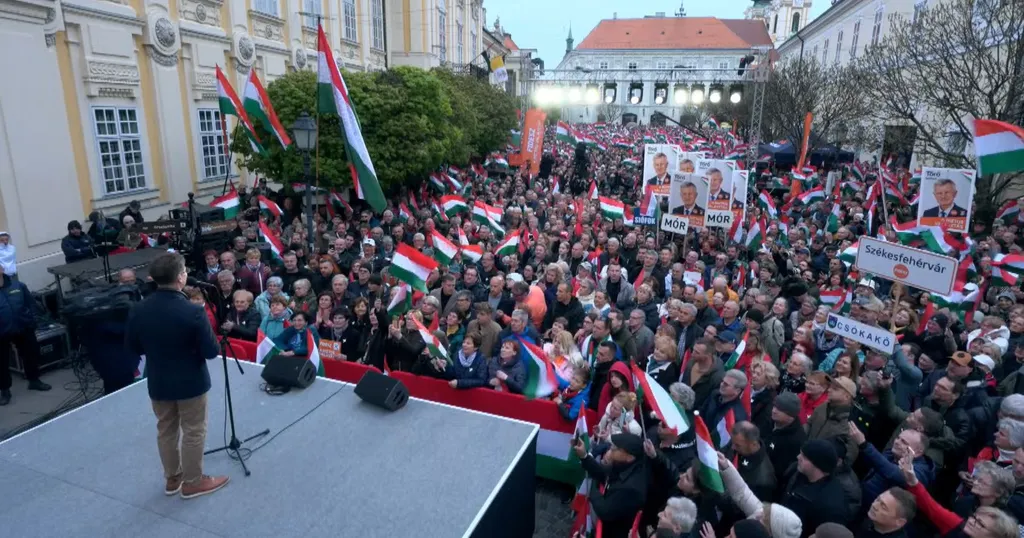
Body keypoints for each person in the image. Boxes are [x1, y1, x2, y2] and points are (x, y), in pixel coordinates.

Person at [123, 253, 228, 499]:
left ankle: (173, 479)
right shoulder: (193, 312)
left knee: (166, 429)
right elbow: (211, 352)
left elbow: (133, 348)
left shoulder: (138, 309)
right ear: (181, 277)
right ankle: (193, 482)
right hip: (191, 382)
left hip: (159, 380)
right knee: (193, 430)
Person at [573, 432, 648, 537]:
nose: (612, 449)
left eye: (617, 448)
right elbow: (603, 473)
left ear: (629, 457)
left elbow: (604, 510)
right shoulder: (624, 464)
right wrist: (584, 456)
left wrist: (592, 488)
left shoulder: (631, 488)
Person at [0, 272, 52, 405]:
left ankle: (34, 381)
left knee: (31, 354)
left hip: (24, 327)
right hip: (2, 332)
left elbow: (31, 304)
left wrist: (33, 321)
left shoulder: (18, 286)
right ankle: (5, 390)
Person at [780, 439, 851, 536]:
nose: (798, 457)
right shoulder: (798, 471)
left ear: (818, 465)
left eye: (804, 457)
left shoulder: (831, 507)